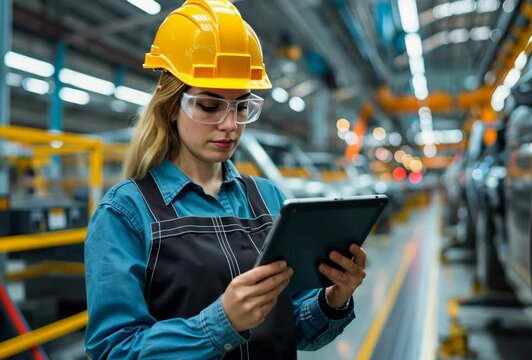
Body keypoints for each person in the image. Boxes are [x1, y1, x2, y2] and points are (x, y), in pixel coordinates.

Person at [83, 0, 367, 359]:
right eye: (209, 106)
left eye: (242, 106)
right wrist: (222, 323)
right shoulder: (126, 213)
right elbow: (112, 350)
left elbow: (289, 327)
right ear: (171, 105)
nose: (230, 125)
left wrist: (332, 300)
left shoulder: (269, 199)